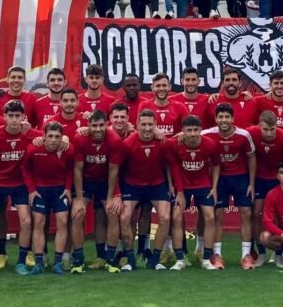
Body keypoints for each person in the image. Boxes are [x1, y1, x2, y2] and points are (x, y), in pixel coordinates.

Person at [105, 109, 179, 272]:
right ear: (137, 125)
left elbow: (172, 164)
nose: (146, 128)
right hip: (133, 185)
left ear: (155, 125)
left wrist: (175, 187)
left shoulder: (163, 142)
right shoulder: (127, 144)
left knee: (165, 218)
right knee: (124, 218)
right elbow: (115, 169)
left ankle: (155, 259)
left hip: (157, 185)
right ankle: (130, 260)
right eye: (143, 124)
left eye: (150, 125)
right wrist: (116, 194)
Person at [0, 100, 36, 274]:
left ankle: (20, 262)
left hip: (20, 184)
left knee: (26, 221)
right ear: (4, 117)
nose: (14, 120)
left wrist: (63, 137)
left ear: (23, 117)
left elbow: (49, 137)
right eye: (10, 116)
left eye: (17, 116)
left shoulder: (30, 133)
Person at [202, 103, 257, 269]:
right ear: (216, 119)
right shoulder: (207, 134)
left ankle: (246, 256)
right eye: (220, 117)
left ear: (232, 119)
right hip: (220, 180)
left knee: (246, 214)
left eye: (227, 117)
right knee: (218, 215)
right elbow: (189, 135)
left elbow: (251, 158)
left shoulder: (244, 135)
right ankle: (217, 255)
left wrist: (251, 184)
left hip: (241, 179)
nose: (224, 120)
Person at [167, 115, 221, 270]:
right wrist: (179, 191)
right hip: (182, 184)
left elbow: (217, 165)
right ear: (182, 131)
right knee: (176, 217)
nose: (192, 134)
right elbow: (173, 167)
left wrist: (214, 187)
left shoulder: (210, 144)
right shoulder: (174, 144)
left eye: (195, 130)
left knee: (210, 217)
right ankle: (180, 259)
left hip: (203, 184)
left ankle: (206, 259)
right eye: (188, 130)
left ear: (201, 130)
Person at [21, 122, 74, 274]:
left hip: (60, 191)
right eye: (50, 136)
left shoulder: (68, 150)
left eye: (57, 136)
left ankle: (58, 263)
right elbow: (25, 168)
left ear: (61, 138)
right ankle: (39, 263)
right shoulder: (33, 149)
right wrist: (31, 190)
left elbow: (71, 169)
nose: (53, 140)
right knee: (38, 223)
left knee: (63, 222)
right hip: (40, 191)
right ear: (43, 137)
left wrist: (68, 188)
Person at [249, 110, 283, 267]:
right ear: (259, 126)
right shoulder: (250, 133)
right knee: (256, 214)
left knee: (278, 217)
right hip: (259, 179)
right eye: (265, 129)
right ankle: (261, 254)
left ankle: (279, 254)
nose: (269, 133)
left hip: (277, 180)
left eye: (272, 129)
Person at [73, 110, 122, 269]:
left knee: (112, 213)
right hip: (86, 182)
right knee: (77, 214)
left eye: (101, 125)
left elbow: (114, 169)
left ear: (107, 124)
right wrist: (79, 199)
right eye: (94, 126)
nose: (98, 129)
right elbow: (77, 169)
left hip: (105, 182)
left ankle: (108, 259)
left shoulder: (114, 139)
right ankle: (78, 260)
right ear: (88, 126)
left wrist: (110, 197)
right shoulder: (80, 138)